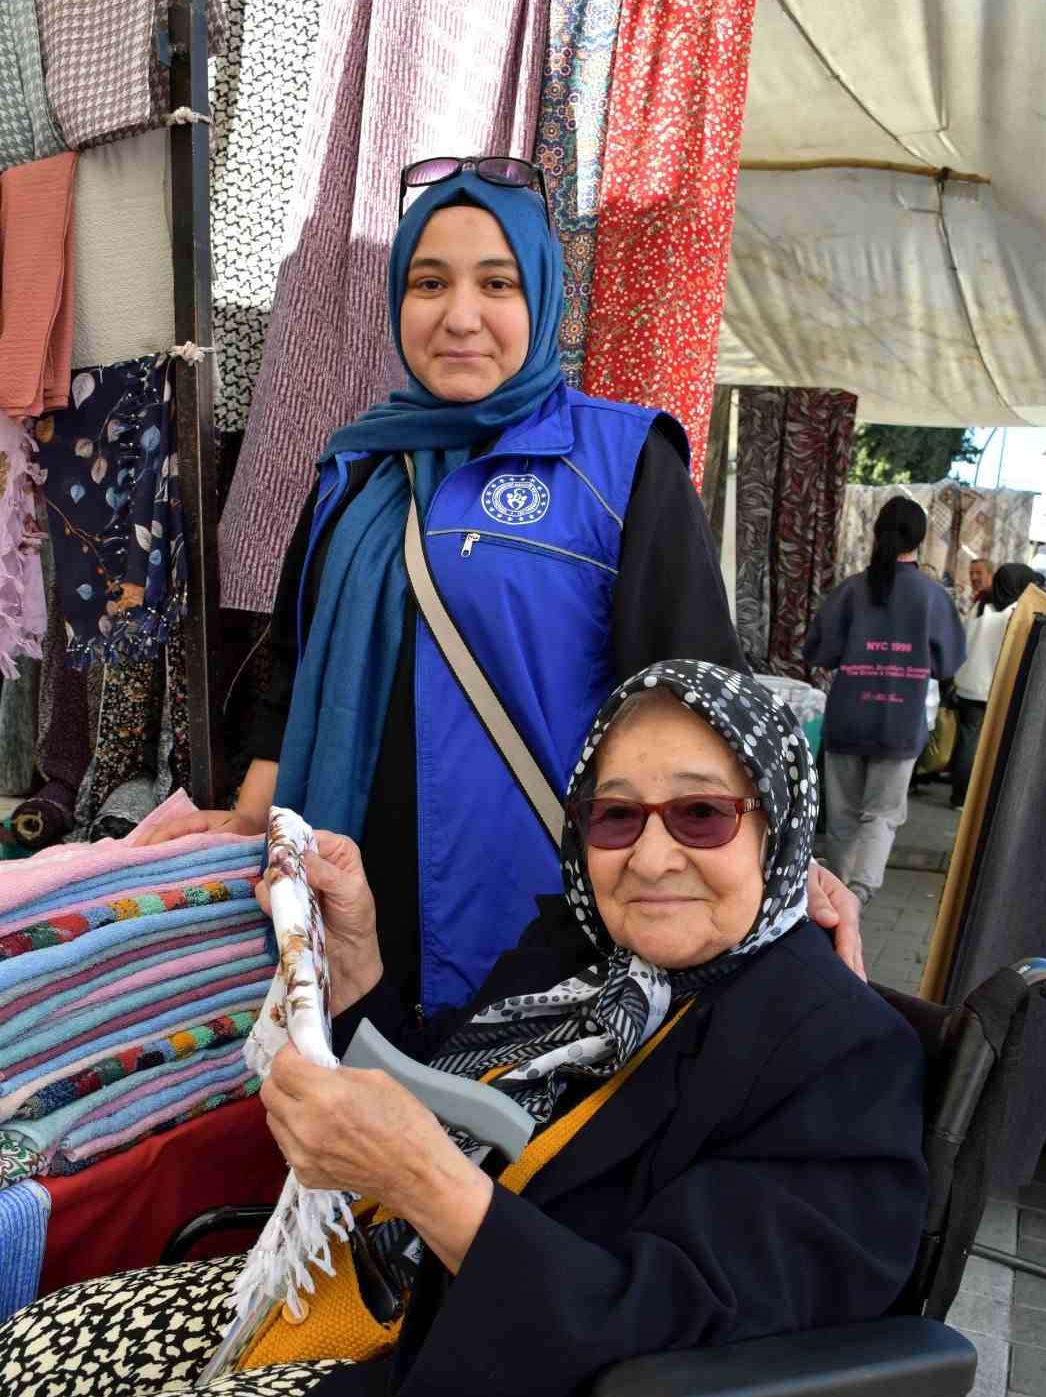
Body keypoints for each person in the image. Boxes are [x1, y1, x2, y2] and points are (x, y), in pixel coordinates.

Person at [0, 661, 927, 1397]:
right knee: (27, 1352)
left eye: (701, 813)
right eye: (615, 816)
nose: (650, 857)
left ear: (777, 823)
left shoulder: (837, 1054)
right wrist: (354, 954)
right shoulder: (579, 954)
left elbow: (666, 1333)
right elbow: (442, 1090)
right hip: (371, 1301)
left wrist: (424, 1184)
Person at [148, 158, 860, 1005]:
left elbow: (700, 693)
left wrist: (777, 865)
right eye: (428, 282)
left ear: (544, 299)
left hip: (535, 917)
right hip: (344, 894)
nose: (460, 317)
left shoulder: (624, 462)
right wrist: (243, 820)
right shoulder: (355, 468)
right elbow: (292, 674)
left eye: (497, 283)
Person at [804, 496, 965, 908]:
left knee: (842, 814)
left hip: (848, 717)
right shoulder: (933, 597)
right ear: (922, 540)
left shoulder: (851, 590)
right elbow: (948, 663)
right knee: (883, 814)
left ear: (877, 533)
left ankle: (836, 889)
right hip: (901, 722)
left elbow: (818, 651)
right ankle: (859, 893)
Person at [951, 562, 1045, 808]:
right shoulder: (1019, 611)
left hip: (970, 685)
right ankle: (983, 798)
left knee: (967, 742)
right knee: (993, 744)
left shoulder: (981, 605)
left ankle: (959, 796)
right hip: (999, 688)